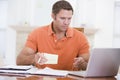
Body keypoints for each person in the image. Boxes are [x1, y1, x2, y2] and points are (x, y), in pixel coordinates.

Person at [16, 0, 90, 71]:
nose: (66, 22)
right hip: (43, 77)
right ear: (53, 16)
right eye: (62, 18)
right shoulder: (37, 33)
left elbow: (89, 65)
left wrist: (83, 64)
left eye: (69, 18)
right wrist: (34, 59)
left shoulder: (80, 37)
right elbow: (19, 60)